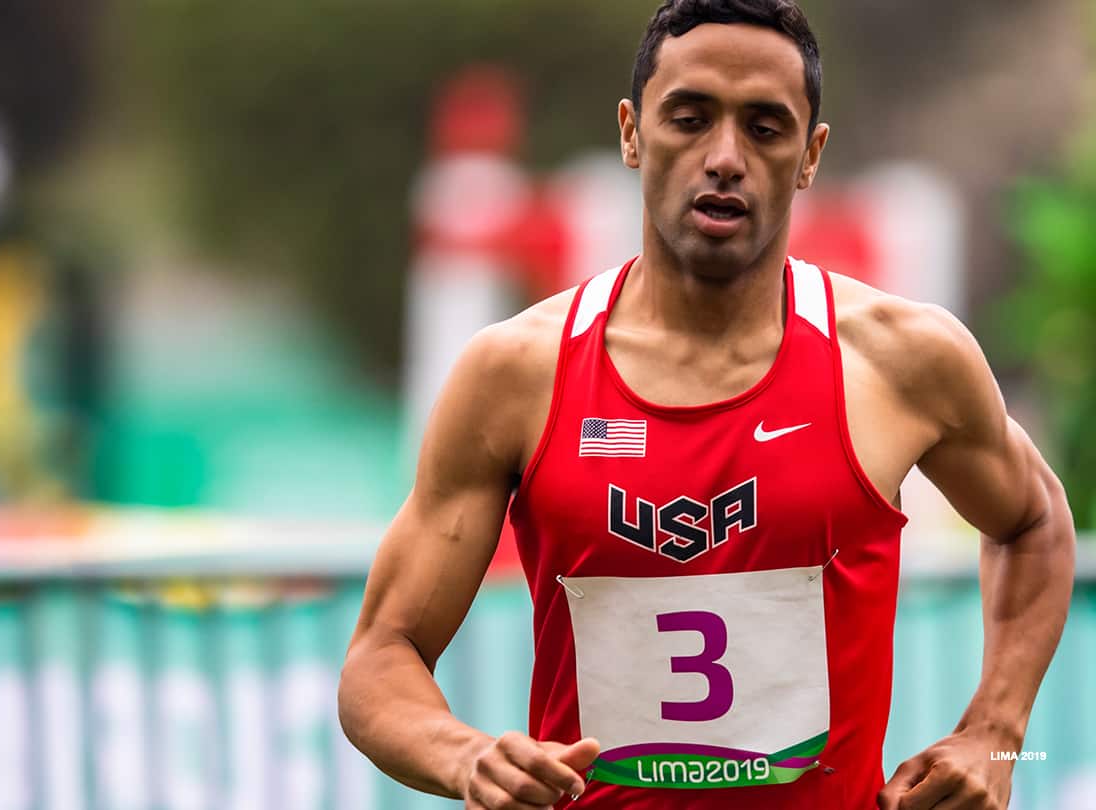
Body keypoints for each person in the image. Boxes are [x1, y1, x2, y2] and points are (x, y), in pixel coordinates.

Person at [336, 1, 1077, 808]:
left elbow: (1034, 521)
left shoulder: (904, 360)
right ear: (631, 132)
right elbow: (382, 658)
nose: (724, 157)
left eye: (765, 128)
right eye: (689, 119)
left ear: (810, 156)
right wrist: (465, 757)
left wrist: (996, 732)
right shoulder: (516, 373)